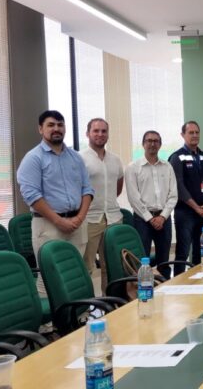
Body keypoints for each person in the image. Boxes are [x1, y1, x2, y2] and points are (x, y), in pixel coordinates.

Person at [17, 110, 93, 297]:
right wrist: (59, 221)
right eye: (51, 125)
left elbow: (87, 190)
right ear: (40, 129)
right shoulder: (33, 158)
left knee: (75, 274)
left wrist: (80, 217)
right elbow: (31, 195)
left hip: (77, 223)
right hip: (48, 224)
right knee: (48, 277)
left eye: (60, 125)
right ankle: (48, 323)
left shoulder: (76, 157)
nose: (56, 129)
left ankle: (77, 317)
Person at [125, 131, 178, 278]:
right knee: (143, 261)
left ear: (160, 144)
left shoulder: (167, 166)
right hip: (142, 220)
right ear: (143, 144)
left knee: (164, 261)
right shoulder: (133, 167)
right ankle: (145, 292)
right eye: (149, 141)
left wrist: (162, 217)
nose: (152, 144)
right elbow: (133, 198)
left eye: (156, 141)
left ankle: (165, 288)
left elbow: (173, 195)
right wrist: (150, 218)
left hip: (164, 219)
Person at [80, 118, 124, 292]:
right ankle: (86, 307)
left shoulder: (115, 159)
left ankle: (110, 303)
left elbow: (117, 187)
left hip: (113, 218)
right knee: (87, 266)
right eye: (96, 131)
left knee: (112, 267)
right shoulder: (79, 158)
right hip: (90, 219)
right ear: (88, 133)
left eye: (104, 131)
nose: (100, 134)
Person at [169, 121, 203, 275]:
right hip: (186, 212)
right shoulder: (177, 157)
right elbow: (179, 186)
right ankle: (178, 284)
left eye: (197, 132)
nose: (195, 135)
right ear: (183, 135)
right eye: (191, 132)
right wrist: (197, 208)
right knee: (183, 251)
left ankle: (199, 279)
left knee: (202, 251)